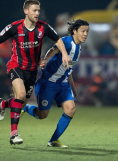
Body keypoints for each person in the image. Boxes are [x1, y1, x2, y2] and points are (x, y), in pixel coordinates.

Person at [0, 0, 71, 145]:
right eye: (34, 10)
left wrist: (64, 54)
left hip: (32, 71)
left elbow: (57, 40)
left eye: (38, 10)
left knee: (19, 103)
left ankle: (3, 104)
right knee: (20, 94)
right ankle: (14, 135)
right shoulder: (14, 27)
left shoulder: (43, 27)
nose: (37, 13)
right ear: (26, 11)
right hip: (16, 66)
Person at [21, 19, 89, 147]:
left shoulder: (79, 48)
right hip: (48, 83)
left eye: (87, 31)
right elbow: (53, 50)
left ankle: (53, 140)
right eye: (83, 31)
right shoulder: (66, 42)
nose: (85, 34)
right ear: (74, 31)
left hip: (63, 85)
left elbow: (67, 69)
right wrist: (46, 60)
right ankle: (24, 107)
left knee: (71, 109)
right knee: (42, 115)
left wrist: (73, 88)